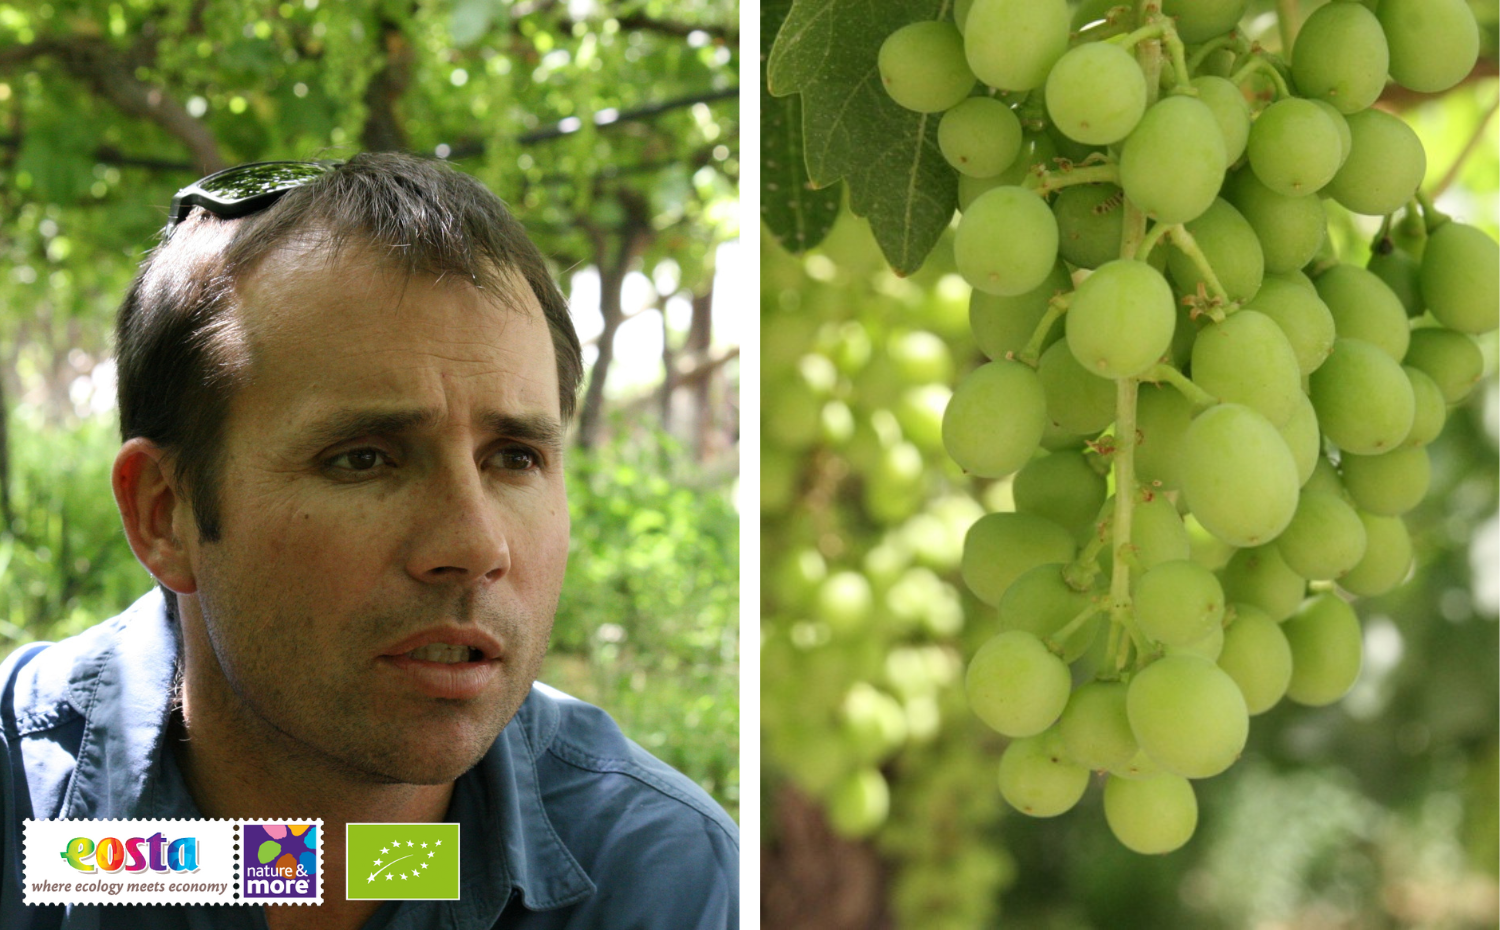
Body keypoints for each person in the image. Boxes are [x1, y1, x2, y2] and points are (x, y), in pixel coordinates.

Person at [0, 153, 740, 929]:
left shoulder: (661, 880)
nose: (474, 545)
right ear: (165, 514)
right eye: (364, 459)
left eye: (515, 458)